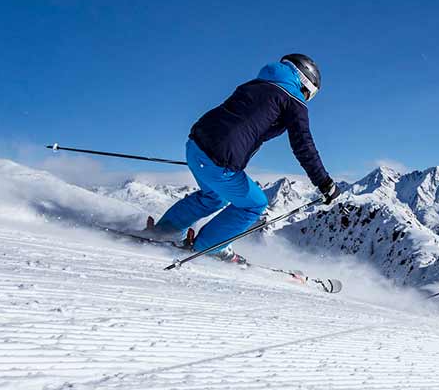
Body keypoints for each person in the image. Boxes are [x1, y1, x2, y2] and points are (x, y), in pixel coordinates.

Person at [144, 54, 342, 262]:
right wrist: (325, 183)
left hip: (195, 146)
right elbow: (303, 145)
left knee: (213, 197)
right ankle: (209, 247)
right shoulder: (292, 98)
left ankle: (164, 232)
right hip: (219, 160)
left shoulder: (255, 85)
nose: (306, 99)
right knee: (255, 204)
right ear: (306, 84)